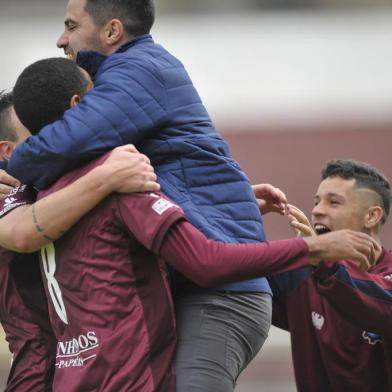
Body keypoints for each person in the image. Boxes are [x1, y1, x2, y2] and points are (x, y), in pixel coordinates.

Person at [8, 57, 380, 391]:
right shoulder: (120, 182)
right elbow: (207, 261)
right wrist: (314, 247)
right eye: (99, 97)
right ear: (79, 107)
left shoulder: (37, 195)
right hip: (129, 380)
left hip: (67, 377)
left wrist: (230, 203)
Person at [5, 1, 287, 389]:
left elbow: (62, 145)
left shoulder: (139, 71)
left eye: (71, 25)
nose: (61, 39)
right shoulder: (125, 78)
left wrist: (9, 168)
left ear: (112, 31)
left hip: (220, 293)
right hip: (192, 285)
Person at [0, 89, 160, 390]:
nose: (50, 140)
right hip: (37, 374)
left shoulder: (60, 185)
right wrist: (108, 177)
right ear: (6, 151)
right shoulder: (10, 198)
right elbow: (24, 234)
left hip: (90, 371)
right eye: (34, 132)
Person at [269, 159, 392, 392]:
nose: (316, 210)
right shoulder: (302, 276)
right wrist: (244, 212)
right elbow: (233, 269)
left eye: (334, 202)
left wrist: (320, 256)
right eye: (316, 202)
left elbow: (377, 305)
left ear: (372, 216)